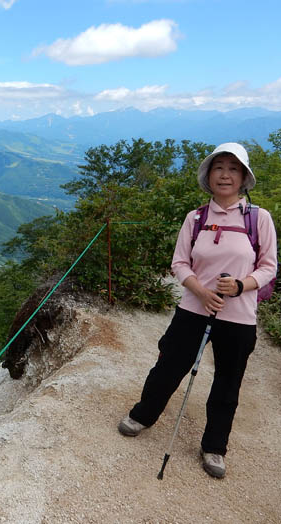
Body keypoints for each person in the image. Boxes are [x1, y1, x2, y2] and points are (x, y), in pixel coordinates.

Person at [118, 142, 278, 479]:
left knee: (227, 382)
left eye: (233, 168)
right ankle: (143, 415)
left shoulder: (258, 218)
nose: (225, 174)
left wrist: (239, 286)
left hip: (239, 316)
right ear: (209, 175)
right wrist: (202, 292)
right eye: (219, 167)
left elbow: (268, 267)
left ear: (244, 177)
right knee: (168, 366)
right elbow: (179, 263)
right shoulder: (196, 218)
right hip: (193, 308)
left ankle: (215, 447)